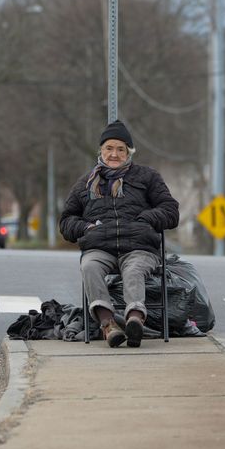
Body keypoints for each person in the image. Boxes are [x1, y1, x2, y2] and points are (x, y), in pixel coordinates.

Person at [60, 120, 179, 348]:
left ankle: (135, 319)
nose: (114, 154)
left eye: (120, 149)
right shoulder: (85, 183)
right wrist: (86, 228)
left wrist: (146, 219)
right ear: (101, 151)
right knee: (89, 266)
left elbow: (170, 210)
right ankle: (109, 325)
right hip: (99, 247)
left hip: (139, 246)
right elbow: (66, 221)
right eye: (109, 148)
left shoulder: (148, 177)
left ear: (129, 153)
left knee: (133, 270)